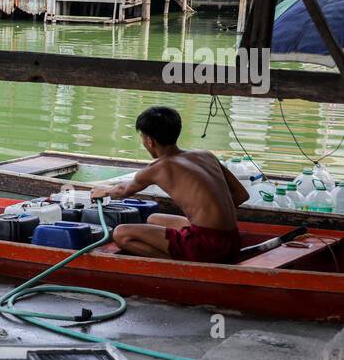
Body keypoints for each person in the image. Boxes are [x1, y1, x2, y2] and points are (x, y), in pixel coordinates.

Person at [90, 106, 248, 263]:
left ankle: (180, 264)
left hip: (204, 247)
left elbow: (122, 190)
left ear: (149, 141)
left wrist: (104, 192)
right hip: (232, 241)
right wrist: (211, 215)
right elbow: (242, 195)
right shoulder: (205, 155)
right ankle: (191, 249)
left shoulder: (160, 167)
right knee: (153, 219)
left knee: (121, 234)